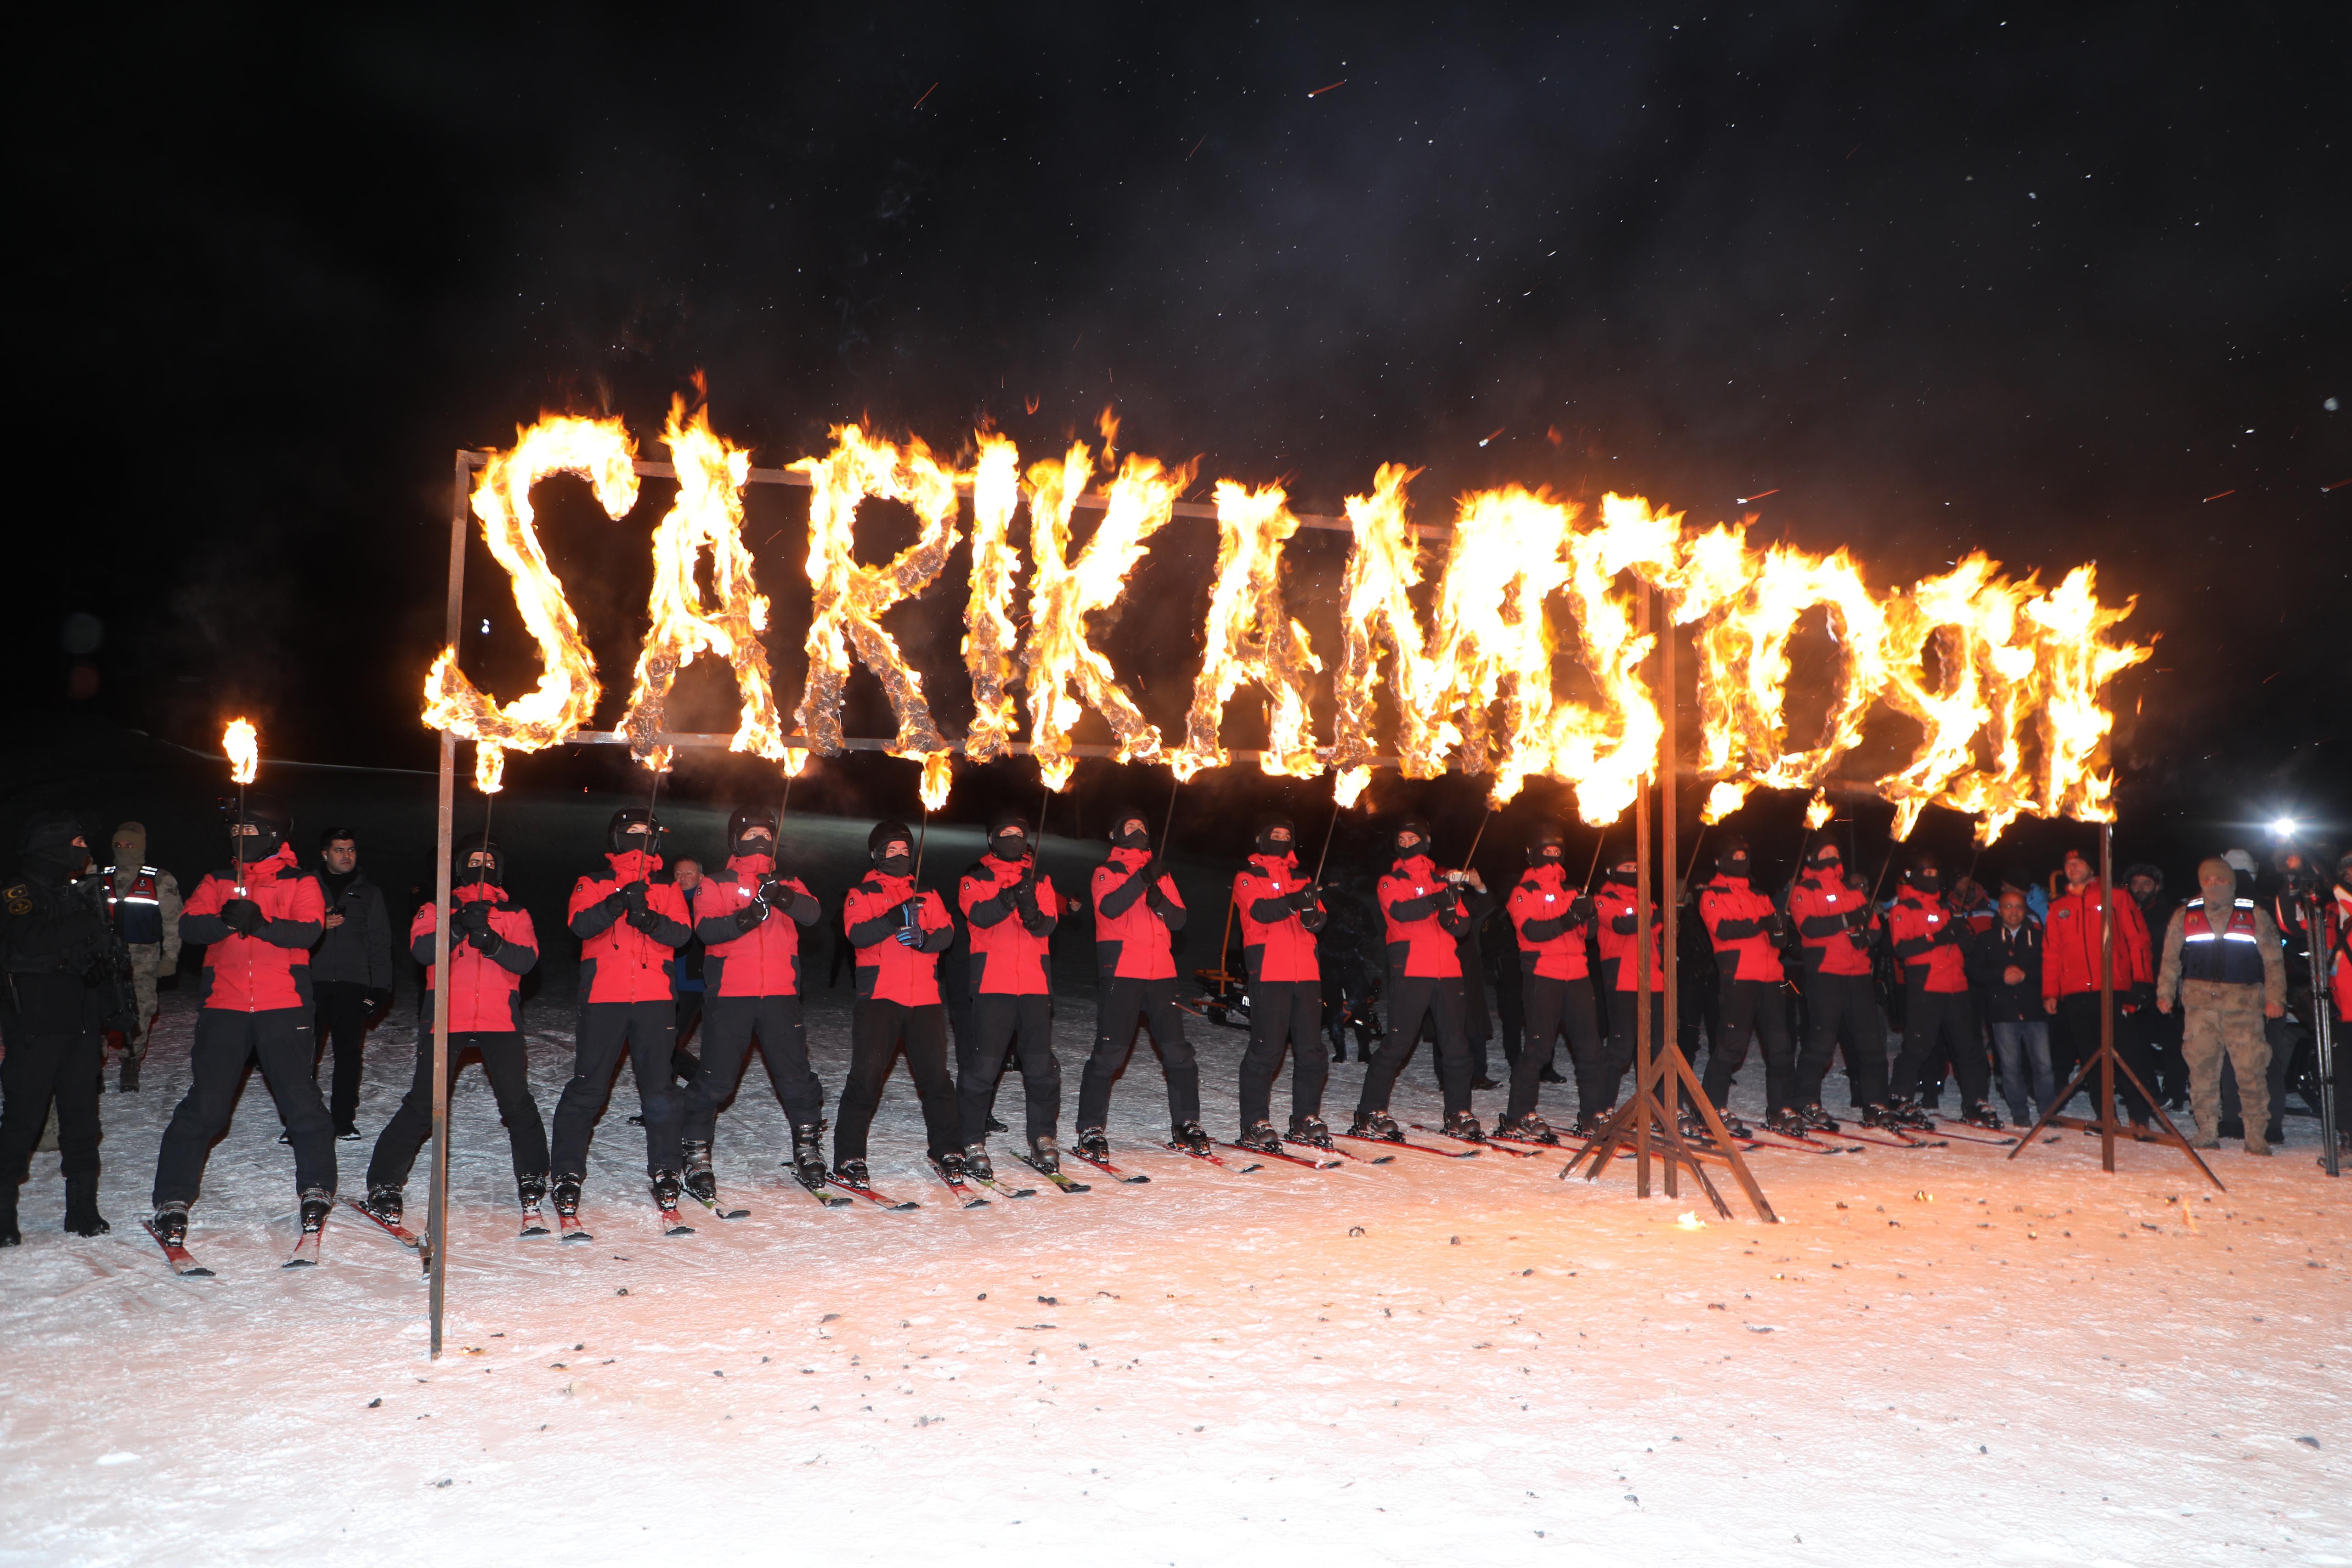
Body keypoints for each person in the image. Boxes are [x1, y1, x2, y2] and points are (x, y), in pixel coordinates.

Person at [149, 795, 333, 1248]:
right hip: (225, 1006)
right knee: (206, 1106)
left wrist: (261, 922)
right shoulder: (216, 879)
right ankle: (173, 1197)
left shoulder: (300, 880)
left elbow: (309, 931)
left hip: (284, 1006)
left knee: (300, 1101)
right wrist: (226, 922)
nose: (240, 837)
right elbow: (189, 927)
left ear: (273, 834)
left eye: (250, 831)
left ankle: (317, 1186)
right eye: (235, 831)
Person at [364, 832, 548, 1224]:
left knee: (516, 1101)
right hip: (447, 1017)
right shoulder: (434, 907)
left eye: (491, 860)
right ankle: (384, 1182)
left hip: (500, 1017)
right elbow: (422, 951)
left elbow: (527, 961)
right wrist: (459, 926)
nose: (484, 867)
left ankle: (533, 1174)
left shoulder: (515, 913)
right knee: (423, 1102)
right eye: (475, 859)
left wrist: (492, 941)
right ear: (461, 866)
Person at [551, 807, 694, 1223]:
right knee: (589, 1087)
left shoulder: (666, 887)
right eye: (633, 832)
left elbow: (681, 934)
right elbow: (580, 925)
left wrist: (648, 918)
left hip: (654, 997)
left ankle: (667, 1166)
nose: (640, 839)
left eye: (648, 833)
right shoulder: (591, 882)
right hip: (604, 997)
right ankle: (567, 1171)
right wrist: (617, 902)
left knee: (660, 1088)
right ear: (616, 838)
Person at [682, 807, 826, 1198]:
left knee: (795, 1077)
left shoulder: (790, 881)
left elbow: (812, 914)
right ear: (735, 841)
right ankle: (695, 1152)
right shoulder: (714, 882)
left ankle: (808, 1146)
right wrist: (747, 917)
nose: (759, 839)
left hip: (780, 993)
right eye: (751, 834)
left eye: (766, 833)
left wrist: (781, 895)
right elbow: (707, 930)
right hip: (732, 995)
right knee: (716, 1080)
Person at [1, 812, 126, 1244]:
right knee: (23, 1118)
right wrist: (86, 916)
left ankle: (83, 1210)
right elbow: (31, 940)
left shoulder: (79, 894)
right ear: (53, 848)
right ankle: (3, 1217)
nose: (83, 851)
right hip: (35, 1021)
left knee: (82, 1119)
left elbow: (100, 959)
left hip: (81, 1020)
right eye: (75, 842)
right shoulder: (18, 892)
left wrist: (114, 1010)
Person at [833, 819, 960, 1187]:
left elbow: (948, 932)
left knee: (936, 1079)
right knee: (866, 1079)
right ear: (876, 855)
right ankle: (849, 1156)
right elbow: (857, 934)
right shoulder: (863, 892)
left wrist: (924, 939)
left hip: (925, 999)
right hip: (880, 998)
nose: (900, 856)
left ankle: (947, 1148)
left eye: (906, 850)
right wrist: (891, 917)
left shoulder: (928, 893)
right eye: (892, 850)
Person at [1076, 805, 1205, 1156]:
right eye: (1129, 826)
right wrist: (1142, 880)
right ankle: (1090, 1128)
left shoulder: (1162, 874)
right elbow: (1111, 908)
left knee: (1178, 1052)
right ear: (1116, 835)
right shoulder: (1107, 871)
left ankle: (1187, 1122)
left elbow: (1178, 920)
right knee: (1110, 1053)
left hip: (1161, 972)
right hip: (1122, 970)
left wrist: (1159, 898)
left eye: (1142, 826)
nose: (1137, 831)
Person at [1351, 818, 1482, 1143]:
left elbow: (1463, 928)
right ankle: (1371, 1110)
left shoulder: (1443, 881)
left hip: (1448, 971)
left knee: (1456, 1045)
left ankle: (1458, 1112)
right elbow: (1401, 912)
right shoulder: (1390, 880)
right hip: (1411, 969)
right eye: (1402, 838)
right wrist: (1438, 901)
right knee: (1398, 1042)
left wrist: (1451, 912)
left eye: (1414, 838)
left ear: (1425, 840)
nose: (1407, 843)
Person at [956, 811, 1064, 1178]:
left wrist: (1031, 911)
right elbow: (980, 916)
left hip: (1035, 987)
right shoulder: (975, 878)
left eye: (1020, 833)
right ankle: (972, 1140)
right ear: (992, 839)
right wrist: (1008, 898)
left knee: (1040, 1068)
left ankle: (1043, 1136)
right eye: (1006, 833)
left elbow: (1048, 925)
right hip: (993, 986)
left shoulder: (1042, 879)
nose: (1013, 839)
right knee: (984, 1068)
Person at [2157, 857, 2285, 1154]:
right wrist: (2165, 993)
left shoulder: (2254, 914)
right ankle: (2206, 1130)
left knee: (2251, 1069)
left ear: (2233, 881)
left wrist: (2275, 999)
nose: (2214, 885)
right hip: (2199, 1006)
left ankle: (2256, 1134)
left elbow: (2274, 962)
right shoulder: (2185, 915)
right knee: (2201, 1069)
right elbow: (2170, 958)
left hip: (2244, 1004)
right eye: (2208, 880)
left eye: (2221, 880)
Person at [2043, 844, 2158, 1136]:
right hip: (2077, 993)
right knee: (2092, 1057)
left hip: (2115, 988)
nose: (2073, 868)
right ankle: (2106, 1116)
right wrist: (2050, 992)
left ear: (2093, 868)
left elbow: (2138, 939)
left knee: (2128, 1053)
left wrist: (2142, 980)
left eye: (2079, 862)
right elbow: (2052, 953)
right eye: (2068, 864)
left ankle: (2140, 1117)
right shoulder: (2059, 908)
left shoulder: (2115, 897)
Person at [1231, 816, 1329, 1152]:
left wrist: (1311, 909)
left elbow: (1317, 921)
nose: (1283, 840)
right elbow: (1259, 911)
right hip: (1270, 969)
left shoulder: (1302, 877)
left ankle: (1305, 1117)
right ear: (1262, 838)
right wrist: (1293, 901)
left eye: (1288, 835)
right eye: (1276, 834)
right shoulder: (1248, 876)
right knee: (1267, 1049)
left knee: (1311, 1050)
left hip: (1306, 970)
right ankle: (1254, 1123)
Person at [1885, 855, 2000, 1128]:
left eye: (1936, 872)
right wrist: (1939, 937)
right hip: (1926, 985)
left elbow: (1968, 948)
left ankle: (1975, 1101)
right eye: (1926, 872)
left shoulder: (1948, 908)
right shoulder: (1904, 909)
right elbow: (1902, 948)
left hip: (1956, 985)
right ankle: (1899, 1097)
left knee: (1969, 1047)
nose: (1932, 877)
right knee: (1919, 1045)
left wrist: (1962, 934)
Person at [1501, 821, 1599, 1141]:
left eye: (1557, 851)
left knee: (1589, 1048)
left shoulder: (1573, 891)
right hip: (1544, 974)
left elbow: (1590, 936)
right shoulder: (1523, 892)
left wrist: (1588, 915)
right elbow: (1532, 932)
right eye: (1546, 852)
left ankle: (1592, 1115)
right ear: (1532, 854)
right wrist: (1569, 918)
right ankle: (1519, 1115)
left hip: (1579, 975)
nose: (1552, 858)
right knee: (1539, 1049)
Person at [1786, 833, 1892, 1123]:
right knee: (1821, 1040)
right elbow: (1809, 927)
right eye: (1825, 853)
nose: (1831, 857)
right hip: (1826, 973)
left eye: (1835, 851)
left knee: (1870, 1041)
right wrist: (1846, 920)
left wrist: (1865, 938)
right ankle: (1807, 1100)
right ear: (1813, 858)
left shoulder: (1854, 892)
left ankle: (1876, 1102)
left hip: (1857, 973)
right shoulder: (1803, 890)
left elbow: (1874, 926)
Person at [1694, 834, 1789, 1139]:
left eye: (1744, 857)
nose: (1740, 862)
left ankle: (1780, 1108)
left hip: (1770, 975)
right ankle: (1711, 1108)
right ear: (1720, 862)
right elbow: (1723, 929)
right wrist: (1761, 924)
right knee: (1731, 1046)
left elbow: (1775, 935)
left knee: (1780, 1047)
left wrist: (1778, 932)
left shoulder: (1759, 895)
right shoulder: (1712, 894)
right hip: (1739, 975)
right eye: (1733, 857)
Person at [309, 827, 395, 1139]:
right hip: (310, 982)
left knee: (348, 1055)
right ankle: (301, 1121)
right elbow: (286, 931)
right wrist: (319, 924)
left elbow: (381, 941)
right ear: (324, 854)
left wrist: (380, 988)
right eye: (339, 850)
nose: (347, 856)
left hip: (352, 983)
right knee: (305, 1054)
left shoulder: (369, 892)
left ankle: (343, 1119)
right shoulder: (305, 887)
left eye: (352, 850)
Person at [101, 821, 180, 1093]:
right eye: (118, 846)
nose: (123, 850)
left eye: (130, 846)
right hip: (104, 958)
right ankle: (93, 1066)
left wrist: (170, 957)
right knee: (99, 1011)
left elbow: (173, 923)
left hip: (143, 961)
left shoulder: (160, 880)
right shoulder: (100, 877)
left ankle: (131, 1063)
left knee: (141, 1012)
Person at [1593, 843, 1668, 1115]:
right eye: (1626, 868)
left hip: (1654, 982)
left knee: (1658, 1050)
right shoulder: (1602, 900)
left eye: (1636, 868)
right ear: (1612, 870)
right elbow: (1622, 925)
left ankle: (1662, 1107)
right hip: (1623, 981)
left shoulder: (1647, 900)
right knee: (1621, 1049)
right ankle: (1600, 1108)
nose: (1632, 872)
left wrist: (1670, 919)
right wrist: (1654, 916)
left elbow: (1658, 935)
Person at [1968, 887, 2052, 1126]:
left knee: (2043, 1065)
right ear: (2000, 910)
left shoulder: (2038, 938)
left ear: (2025, 910)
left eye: (2018, 907)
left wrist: (2025, 974)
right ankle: (2020, 1113)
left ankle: (2048, 1111)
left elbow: (2051, 968)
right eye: (2008, 906)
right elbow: (1975, 972)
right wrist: (2001, 974)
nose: (2014, 912)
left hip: (2035, 1010)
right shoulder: (1986, 940)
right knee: (2010, 1067)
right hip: (2003, 1012)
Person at [2125, 860, 2187, 1109]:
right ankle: (2142, 1089)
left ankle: (2174, 1093)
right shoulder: (2125, 912)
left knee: (2172, 1042)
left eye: (2146, 883)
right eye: (2136, 883)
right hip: (2136, 987)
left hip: (2162, 985)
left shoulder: (2168, 914)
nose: (2140, 888)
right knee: (2137, 1041)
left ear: (2157, 887)